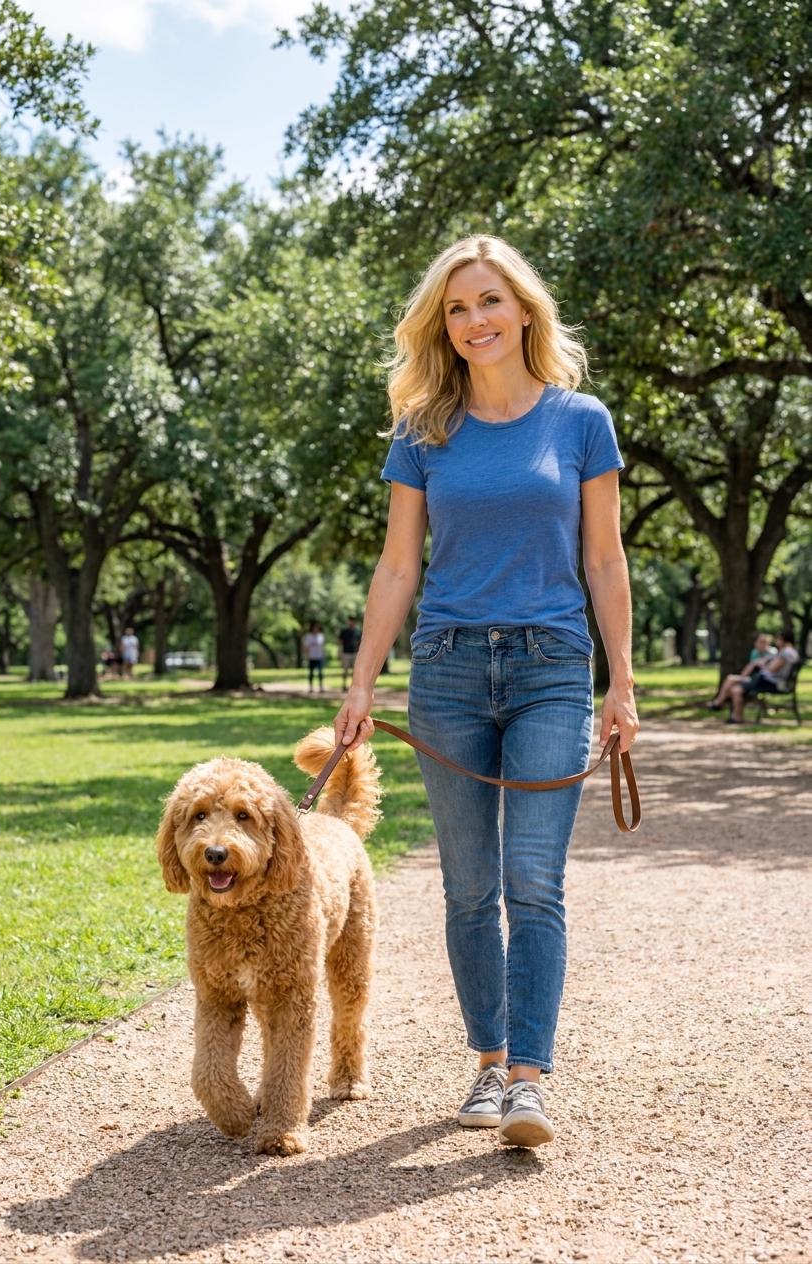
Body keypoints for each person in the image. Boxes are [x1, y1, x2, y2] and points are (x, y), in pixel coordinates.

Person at [333, 234, 637, 1149]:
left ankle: (530, 1083)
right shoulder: (421, 430)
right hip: (450, 669)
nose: (474, 321)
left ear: (524, 311)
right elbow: (396, 567)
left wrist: (620, 683)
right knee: (467, 887)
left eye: (490, 302)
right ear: (442, 324)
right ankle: (487, 1063)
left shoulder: (581, 420)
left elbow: (602, 557)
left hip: (550, 665)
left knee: (531, 882)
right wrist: (359, 682)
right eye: (457, 308)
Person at [708, 630, 800, 724]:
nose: (776, 641)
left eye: (778, 639)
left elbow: (771, 669)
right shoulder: (792, 653)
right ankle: (735, 716)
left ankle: (721, 705)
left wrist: (761, 664)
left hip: (770, 682)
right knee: (736, 689)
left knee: (733, 681)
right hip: (771, 681)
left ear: (783, 640)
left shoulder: (785, 653)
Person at [338, 616, 362, 688]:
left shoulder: (358, 632)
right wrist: (339, 652)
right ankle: (344, 685)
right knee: (345, 671)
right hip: (346, 653)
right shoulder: (344, 632)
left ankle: (353, 686)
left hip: (355, 653)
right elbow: (340, 642)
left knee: (354, 672)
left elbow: (361, 642)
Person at [302, 621, 325, 693]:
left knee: (320, 673)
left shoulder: (321, 636)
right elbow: (305, 647)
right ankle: (311, 687)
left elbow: (323, 646)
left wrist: (323, 654)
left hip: (319, 657)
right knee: (311, 673)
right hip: (312, 657)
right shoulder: (308, 636)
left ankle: (321, 687)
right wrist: (307, 655)